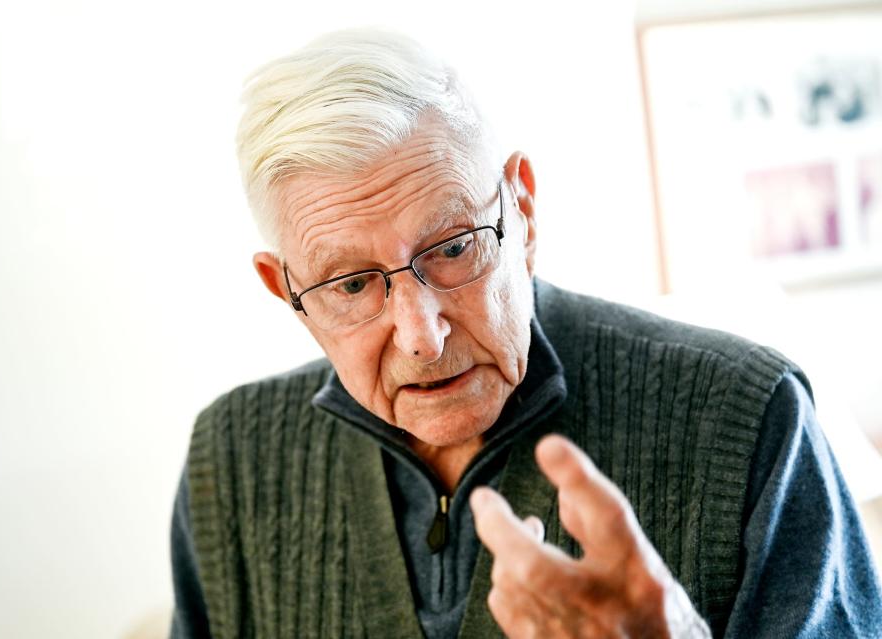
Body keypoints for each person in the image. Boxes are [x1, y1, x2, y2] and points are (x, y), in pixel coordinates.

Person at [168, 29, 882, 638]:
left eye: (452, 247)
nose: (422, 334)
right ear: (288, 292)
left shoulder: (748, 414)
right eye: (351, 284)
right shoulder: (231, 458)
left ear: (525, 212)